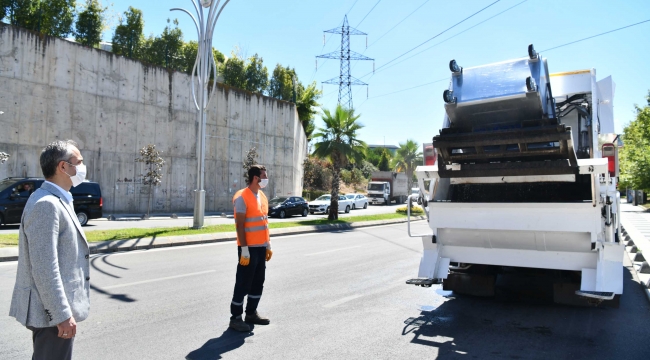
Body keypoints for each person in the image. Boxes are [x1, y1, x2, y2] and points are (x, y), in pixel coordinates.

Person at [8, 140, 90, 360]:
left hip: (53, 311)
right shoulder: (47, 204)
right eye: (78, 162)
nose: (82, 167)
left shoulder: (59, 200)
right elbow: (44, 266)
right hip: (51, 314)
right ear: (63, 167)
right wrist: (61, 315)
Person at [229, 165, 273, 332]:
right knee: (243, 283)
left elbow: (264, 222)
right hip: (248, 249)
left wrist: (268, 244)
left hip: (261, 248)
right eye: (264, 176)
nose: (266, 179)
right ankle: (235, 318)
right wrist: (244, 249)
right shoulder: (242, 197)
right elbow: (240, 225)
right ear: (256, 178)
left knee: (258, 282)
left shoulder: (261, 196)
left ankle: (251, 313)